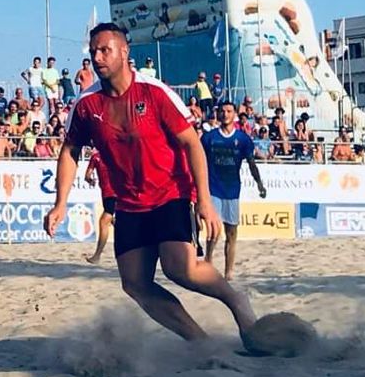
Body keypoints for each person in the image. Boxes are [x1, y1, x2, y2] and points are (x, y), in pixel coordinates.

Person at [45, 23, 256, 344]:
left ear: (124, 52)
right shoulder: (87, 104)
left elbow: (192, 144)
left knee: (179, 269)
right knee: (134, 283)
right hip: (129, 204)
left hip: (171, 193)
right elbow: (70, 150)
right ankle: (199, 341)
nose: (97, 58)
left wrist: (204, 201)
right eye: (93, 52)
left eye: (105, 50)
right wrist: (60, 202)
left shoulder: (154, 92)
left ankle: (236, 299)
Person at [201, 102, 267, 281]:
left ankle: (229, 271)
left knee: (232, 232)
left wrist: (259, 183)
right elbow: (198, 161)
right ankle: (208, 259)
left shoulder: (243, 139)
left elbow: (252, 163)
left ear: (235, 114)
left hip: (232, 190)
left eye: (229, 111)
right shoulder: (208, 137)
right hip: (212, 188)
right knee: (214, 229)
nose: (225, 114)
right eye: (222, 111)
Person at [84, 149, 116, 265]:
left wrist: (91, 181)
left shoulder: (96, 157)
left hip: (110, 193)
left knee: (104, 221)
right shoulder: (114, 153)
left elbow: (87, 176)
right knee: (113, 220)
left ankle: (97, 255)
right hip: (114, 192)